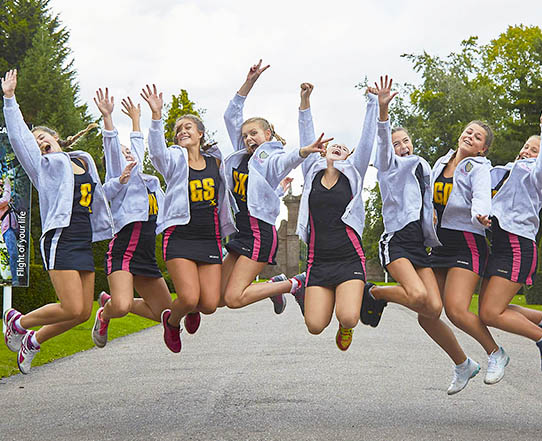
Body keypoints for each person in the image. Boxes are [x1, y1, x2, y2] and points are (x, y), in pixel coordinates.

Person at [363, 94, 485, 394]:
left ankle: (463, 363)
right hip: (397, 242)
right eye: (396, 144)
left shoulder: (424, 166)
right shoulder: (389, 166)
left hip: (421, 245)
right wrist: (381, 110)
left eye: (405, 141)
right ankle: (375, 293)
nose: (402, 147)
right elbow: (381, 140)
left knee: (432, 308)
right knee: (417, 295)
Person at [2, 69, 113, 373]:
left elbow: (101, 195)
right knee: (70, 307)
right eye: (35, 140)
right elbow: (19, 138)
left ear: (56, 138)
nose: (38, 142)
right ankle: (18, 322)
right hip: (60, 239)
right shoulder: (44, 167)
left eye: (43, 137)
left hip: (82, 239)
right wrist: (10, 99)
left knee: (82, 313)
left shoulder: (82, 160)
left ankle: (33, 341)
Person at [220, 60, 327, 315]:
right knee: (216, 298)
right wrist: (250, 81)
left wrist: (302, 152)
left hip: (258, 234)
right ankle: (278, 287)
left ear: (267, 134)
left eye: (254, 133)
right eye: (245, 135)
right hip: (241, 232)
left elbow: (285, 160)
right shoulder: (242, 155)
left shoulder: (268, 156)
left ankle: (292, 284)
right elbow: (230, 115)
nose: (248, 138)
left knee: (234, 298)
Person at [142, 84, 237, 353]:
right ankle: (172, 322)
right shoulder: (174, 160)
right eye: (178, 130)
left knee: (208, 304)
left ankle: (192, 309)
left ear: (200, 133)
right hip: (180, 236)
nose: (182, 131)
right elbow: (157, 152)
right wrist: (157, 115)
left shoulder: (216, 163)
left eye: (188, 127)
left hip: (209, 238)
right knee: (188, 296)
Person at [477, 101, 542, 373]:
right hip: (499, 245)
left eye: (533, 150)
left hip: (517, 245)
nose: (526, 151)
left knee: (491, 313)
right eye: (526, 147)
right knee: (487, 310)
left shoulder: (536, 176)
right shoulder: (502, 172)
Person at [295, 75, 380, 351]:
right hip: (318, 261)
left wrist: (372, 103)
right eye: (334, 145)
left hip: (348, 257)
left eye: (345, 148)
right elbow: (307, 139)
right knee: (315, 326)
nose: (339, 147)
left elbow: (367, 139)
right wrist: (305, 102)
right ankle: (302, 290)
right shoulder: (312, 171)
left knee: (348, 317)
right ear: (325, 151)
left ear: (349, 156)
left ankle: (349, 317)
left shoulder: (353, 172)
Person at [427, 118, 510, 385]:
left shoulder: (479, 167)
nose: (470, 137)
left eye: (477, 138)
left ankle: (496, 353)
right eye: (468, 132)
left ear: (482, 149)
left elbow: (481, 196)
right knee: (426, 313)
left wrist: (481, 214)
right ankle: (463, 364)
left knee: (456, 310)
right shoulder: (440, 163)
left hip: (467, 241)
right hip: (440, 243)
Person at [91, 89, 172, 348]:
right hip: (124, 249)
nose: (127, 153)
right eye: (122, 151)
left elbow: (138, 148)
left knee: (166, 314)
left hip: (145, 254)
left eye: (129, 151)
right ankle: (105, 313)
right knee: (123, 306)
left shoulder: (148, 183)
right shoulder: (119, 179)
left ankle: (108, 301)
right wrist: (109, 119)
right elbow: (113, 146)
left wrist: (139, 118)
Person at [0, 175, 19, 282]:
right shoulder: (2, 201)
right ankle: (15, 279)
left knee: (22, 251)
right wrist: (7, 184)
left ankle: (20, 275)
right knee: (13, 253)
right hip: (8, 229)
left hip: (16, 225)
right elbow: (6, 199)